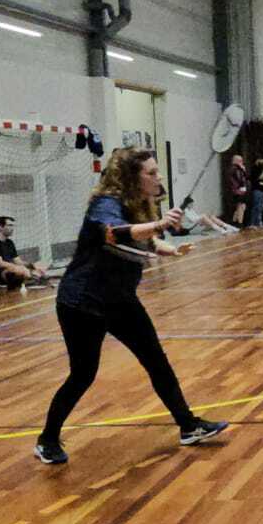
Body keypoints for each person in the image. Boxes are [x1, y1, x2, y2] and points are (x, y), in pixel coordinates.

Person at [35, 148, 228, 464]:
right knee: (83, 374)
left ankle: (188, 425)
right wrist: (160, 224)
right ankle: (47, 439)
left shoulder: (139, 205)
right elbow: (115, 234)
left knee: (156, 361)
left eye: (157, 171)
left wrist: (170, 249)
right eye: (151, 173)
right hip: (83, 303)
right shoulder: (105, 205)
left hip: (120, 300)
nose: (158, 177)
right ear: (130, 177)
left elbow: (145, 241)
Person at [0, 216, 50, 289]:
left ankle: (32, 277)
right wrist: (19, 268)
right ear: (0, 227)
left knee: (40, 265)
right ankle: (33, 277)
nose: (12, 228)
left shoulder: (9, 242)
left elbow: (18, 261)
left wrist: (32, 265)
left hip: (9, 270)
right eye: (10, 225)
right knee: (20, 270)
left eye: (13, 226)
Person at [227, 155, 249, 227]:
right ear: (235, 161)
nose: (242, 162)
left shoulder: (236, 169)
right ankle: (239, 223)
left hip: (239, 190)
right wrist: (243, 170)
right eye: (240, 160)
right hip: (238, 191)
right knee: (241, 206)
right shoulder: (235, 169)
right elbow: (240, 180)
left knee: (241, 206)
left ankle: (234, 222)